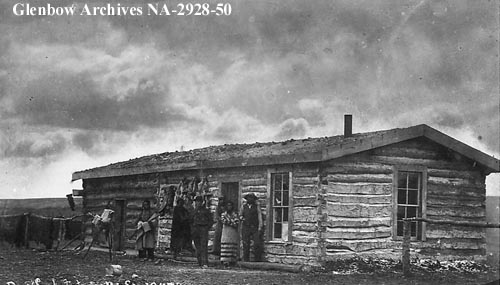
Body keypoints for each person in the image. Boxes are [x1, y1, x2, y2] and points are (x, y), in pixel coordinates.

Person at [191, 195, 213, 268]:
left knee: (204, 246)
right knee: (197, 247)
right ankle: (199, 262)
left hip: (203, 229)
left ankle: (205, 262)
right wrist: (193, 228)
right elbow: (190, 220)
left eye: (199, 202)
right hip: (195, 230)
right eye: (196, 202)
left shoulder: (206, 211)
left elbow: (211, 221)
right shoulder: (194, 211)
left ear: (202, 202)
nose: (197, 203)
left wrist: (206, 228)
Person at [240, 193, 263, 262]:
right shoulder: (243, 206)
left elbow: (259, 216)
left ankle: (257, 260)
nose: (250, 199)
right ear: (246, 199)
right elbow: (240, 214)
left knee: (257, 243)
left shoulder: (256, 206)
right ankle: (246, 259)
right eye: (249, 198)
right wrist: (242, 218)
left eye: (252, 198)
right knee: (246, 243)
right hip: (246, 227)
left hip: (254, 227)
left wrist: (260, 226)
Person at [220, 201, 239, 266]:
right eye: (228, 206)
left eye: (230, 205)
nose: (229, 207)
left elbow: (236, 222)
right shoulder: (223, 214)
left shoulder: (235, 214)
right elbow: (224, 221)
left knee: (232, 244)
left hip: (232, 232)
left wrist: (232, 222)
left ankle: (232, 260)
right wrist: (231, 222)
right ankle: (225, 260)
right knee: (225, 244)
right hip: (226, 231)